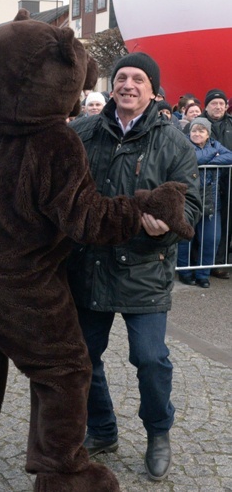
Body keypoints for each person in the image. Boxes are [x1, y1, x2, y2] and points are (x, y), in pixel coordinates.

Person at [0, 12, 194, 489]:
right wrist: (144, 207)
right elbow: (87, 218)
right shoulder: (57, 142)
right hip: (21, 278)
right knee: (64, 372)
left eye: (138, 78)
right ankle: (62, 471)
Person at [67, 52, 201, 481]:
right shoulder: (83, 131)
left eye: (138, 79)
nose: (127, 84)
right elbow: (40, 169)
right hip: (88, 263)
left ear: (153, 90)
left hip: (145, 264)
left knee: (151, 358)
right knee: (84, 357)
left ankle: (158, 433)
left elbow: (195, 203)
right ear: (112, 85)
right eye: (121, 77)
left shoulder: (174, 140)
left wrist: (170, 224)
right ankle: (102, 428)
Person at [177, 117, 232, 288]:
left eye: (201, 130)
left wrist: (208, 158)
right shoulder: (184, 144)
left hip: (211, 200)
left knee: (211, 239)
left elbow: (230, 156)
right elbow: (192, 159)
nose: (197, 134)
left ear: (208, 133)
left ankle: (203, 274)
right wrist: (211, 155)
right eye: (194, 130)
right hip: (188, 200)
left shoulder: (216, 145)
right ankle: (185, 272)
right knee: (185, 238)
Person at [202, 89, 232, 278]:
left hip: (228, 181)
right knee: (206, 222)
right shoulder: (199, 125)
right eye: (214, 103)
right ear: (206, 106)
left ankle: (220, 262)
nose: (218, 107)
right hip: (206, 181)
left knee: (226, 221)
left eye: (222, 103)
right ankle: (201, 262)